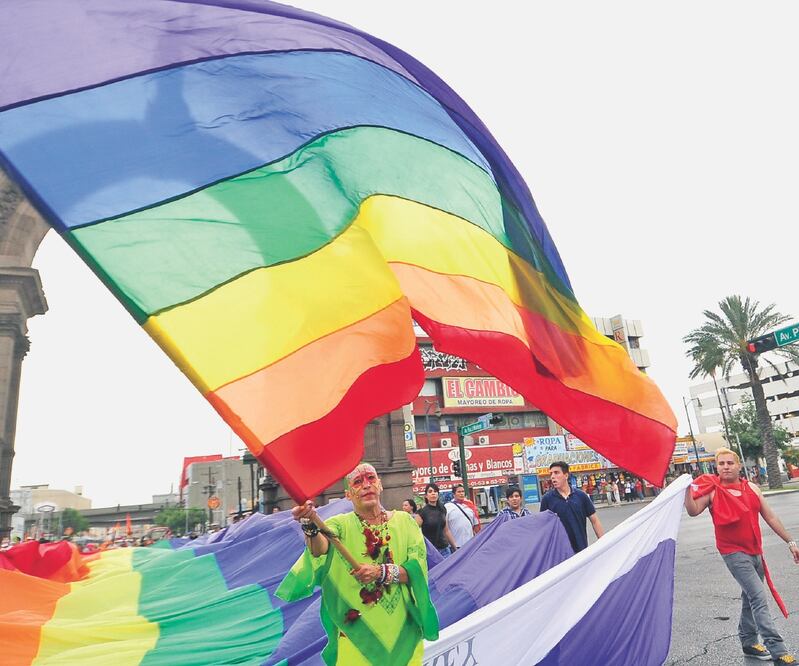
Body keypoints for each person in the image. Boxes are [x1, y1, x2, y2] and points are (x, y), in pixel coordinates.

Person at [277, 463, 438, 665]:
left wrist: (381, 572)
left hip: (403, 634)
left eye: (371, 479)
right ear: (348, 494)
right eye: (358, 482)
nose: (366, 485)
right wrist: (309, 525)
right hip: (358, 639)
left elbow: (417, 569)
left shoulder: (405, 522)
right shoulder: (339, 525)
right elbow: (319, 549)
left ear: (380, 485)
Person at [684, 448, 798, 664]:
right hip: (733, 553)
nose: (725, 467)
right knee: (757, 596)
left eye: (729, 463)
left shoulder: (752, 488)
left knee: (749, 597)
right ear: (716, 467)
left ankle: (748, 642)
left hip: (755, 551)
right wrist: (685, 492)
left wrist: (791, 542)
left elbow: (771, 517)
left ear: (738, 466)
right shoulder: (713, 491)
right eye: (721, 464)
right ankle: (778, 650)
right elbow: (692, 510)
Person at [540, 461, 604, 553]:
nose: (552, 476)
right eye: (551, 474)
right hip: (559, 553)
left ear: (566, 475)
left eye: (556, 473)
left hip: (581, 550)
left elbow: (595, 521)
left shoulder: (581, 496)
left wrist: (603, 543)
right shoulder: (547, 499)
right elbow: (544, 527)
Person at [418, 483, 458, 557]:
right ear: (426, 496)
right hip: (431, 551)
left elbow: (446, 530)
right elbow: (415, 531)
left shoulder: (442, 509)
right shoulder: (422, 512)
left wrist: (455, 547)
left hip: (445, 549)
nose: (433, 493)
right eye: (430, 492)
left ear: (438, 494)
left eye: (435, 491)